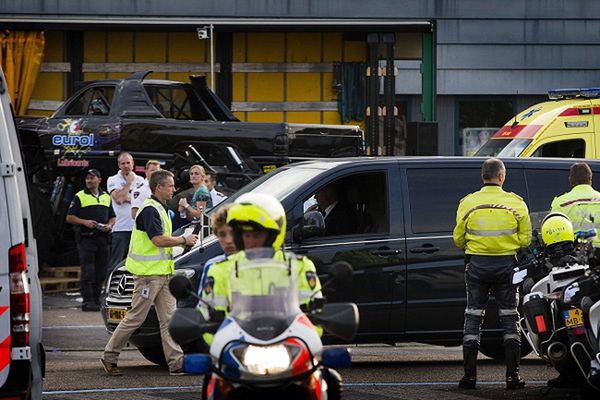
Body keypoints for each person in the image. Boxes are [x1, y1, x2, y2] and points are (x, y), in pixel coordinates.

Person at [100, 170, 198, 376]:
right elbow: (158, 240)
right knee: (135, 317)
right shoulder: (151, 210)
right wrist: (183, 240)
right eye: (170, 186)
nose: (174, 189)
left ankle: (176, 363)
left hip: (161, 274)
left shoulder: (159, 209)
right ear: (159, 187)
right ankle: (109, 356)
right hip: (148, 276)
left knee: (169, 319)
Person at [453, 158, 531, 390]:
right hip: (507, 267)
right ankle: (512, 378)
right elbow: (525, 240)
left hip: (476, 266)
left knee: (473, 318)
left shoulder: (468, 203)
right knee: (510, 318)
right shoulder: (516, 203)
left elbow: (458, 239)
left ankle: (470, 378)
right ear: (502, 177)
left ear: (483, 176)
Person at [199, 193, 322, 334]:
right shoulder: (220, 270)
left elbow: (315, 320)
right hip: (237, 345)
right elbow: (206, 319)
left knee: (335, 356)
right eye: (246, 235)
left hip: (289, 344)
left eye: (257, 235)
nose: (251, 242)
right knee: (197, 358)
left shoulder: (299, 267)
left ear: (272, 235)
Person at [66, 169, 116, 312]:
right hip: (86, 238)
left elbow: (112, 216)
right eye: (87, 178)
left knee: (101, 271)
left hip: (103, 238)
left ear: (99, 179)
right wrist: (84, 222)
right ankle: (87, 302)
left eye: (92, 178)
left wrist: (110, 225)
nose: (89, 180)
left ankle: (96, 299)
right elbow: (69, 217)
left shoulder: (106, 196)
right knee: (88, 271)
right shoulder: (80, 196)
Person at [106, 152, 145, 271]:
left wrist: (127, 197)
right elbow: (119, 199)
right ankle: (109, 287)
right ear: (119, 165)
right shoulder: (112, 179)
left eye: (128, 162)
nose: (126, 165)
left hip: (137, 228)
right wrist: (128, 183)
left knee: (135, 262)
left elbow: (144, 201)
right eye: (123, 163)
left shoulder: (140, 180)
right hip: (120, 228)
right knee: (116, 262)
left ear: (133, 163)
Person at [551, 162, 600, 247]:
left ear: (570, 180)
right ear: (590, 179)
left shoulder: (559, 203)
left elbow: (554, 233)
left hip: (574, 255)